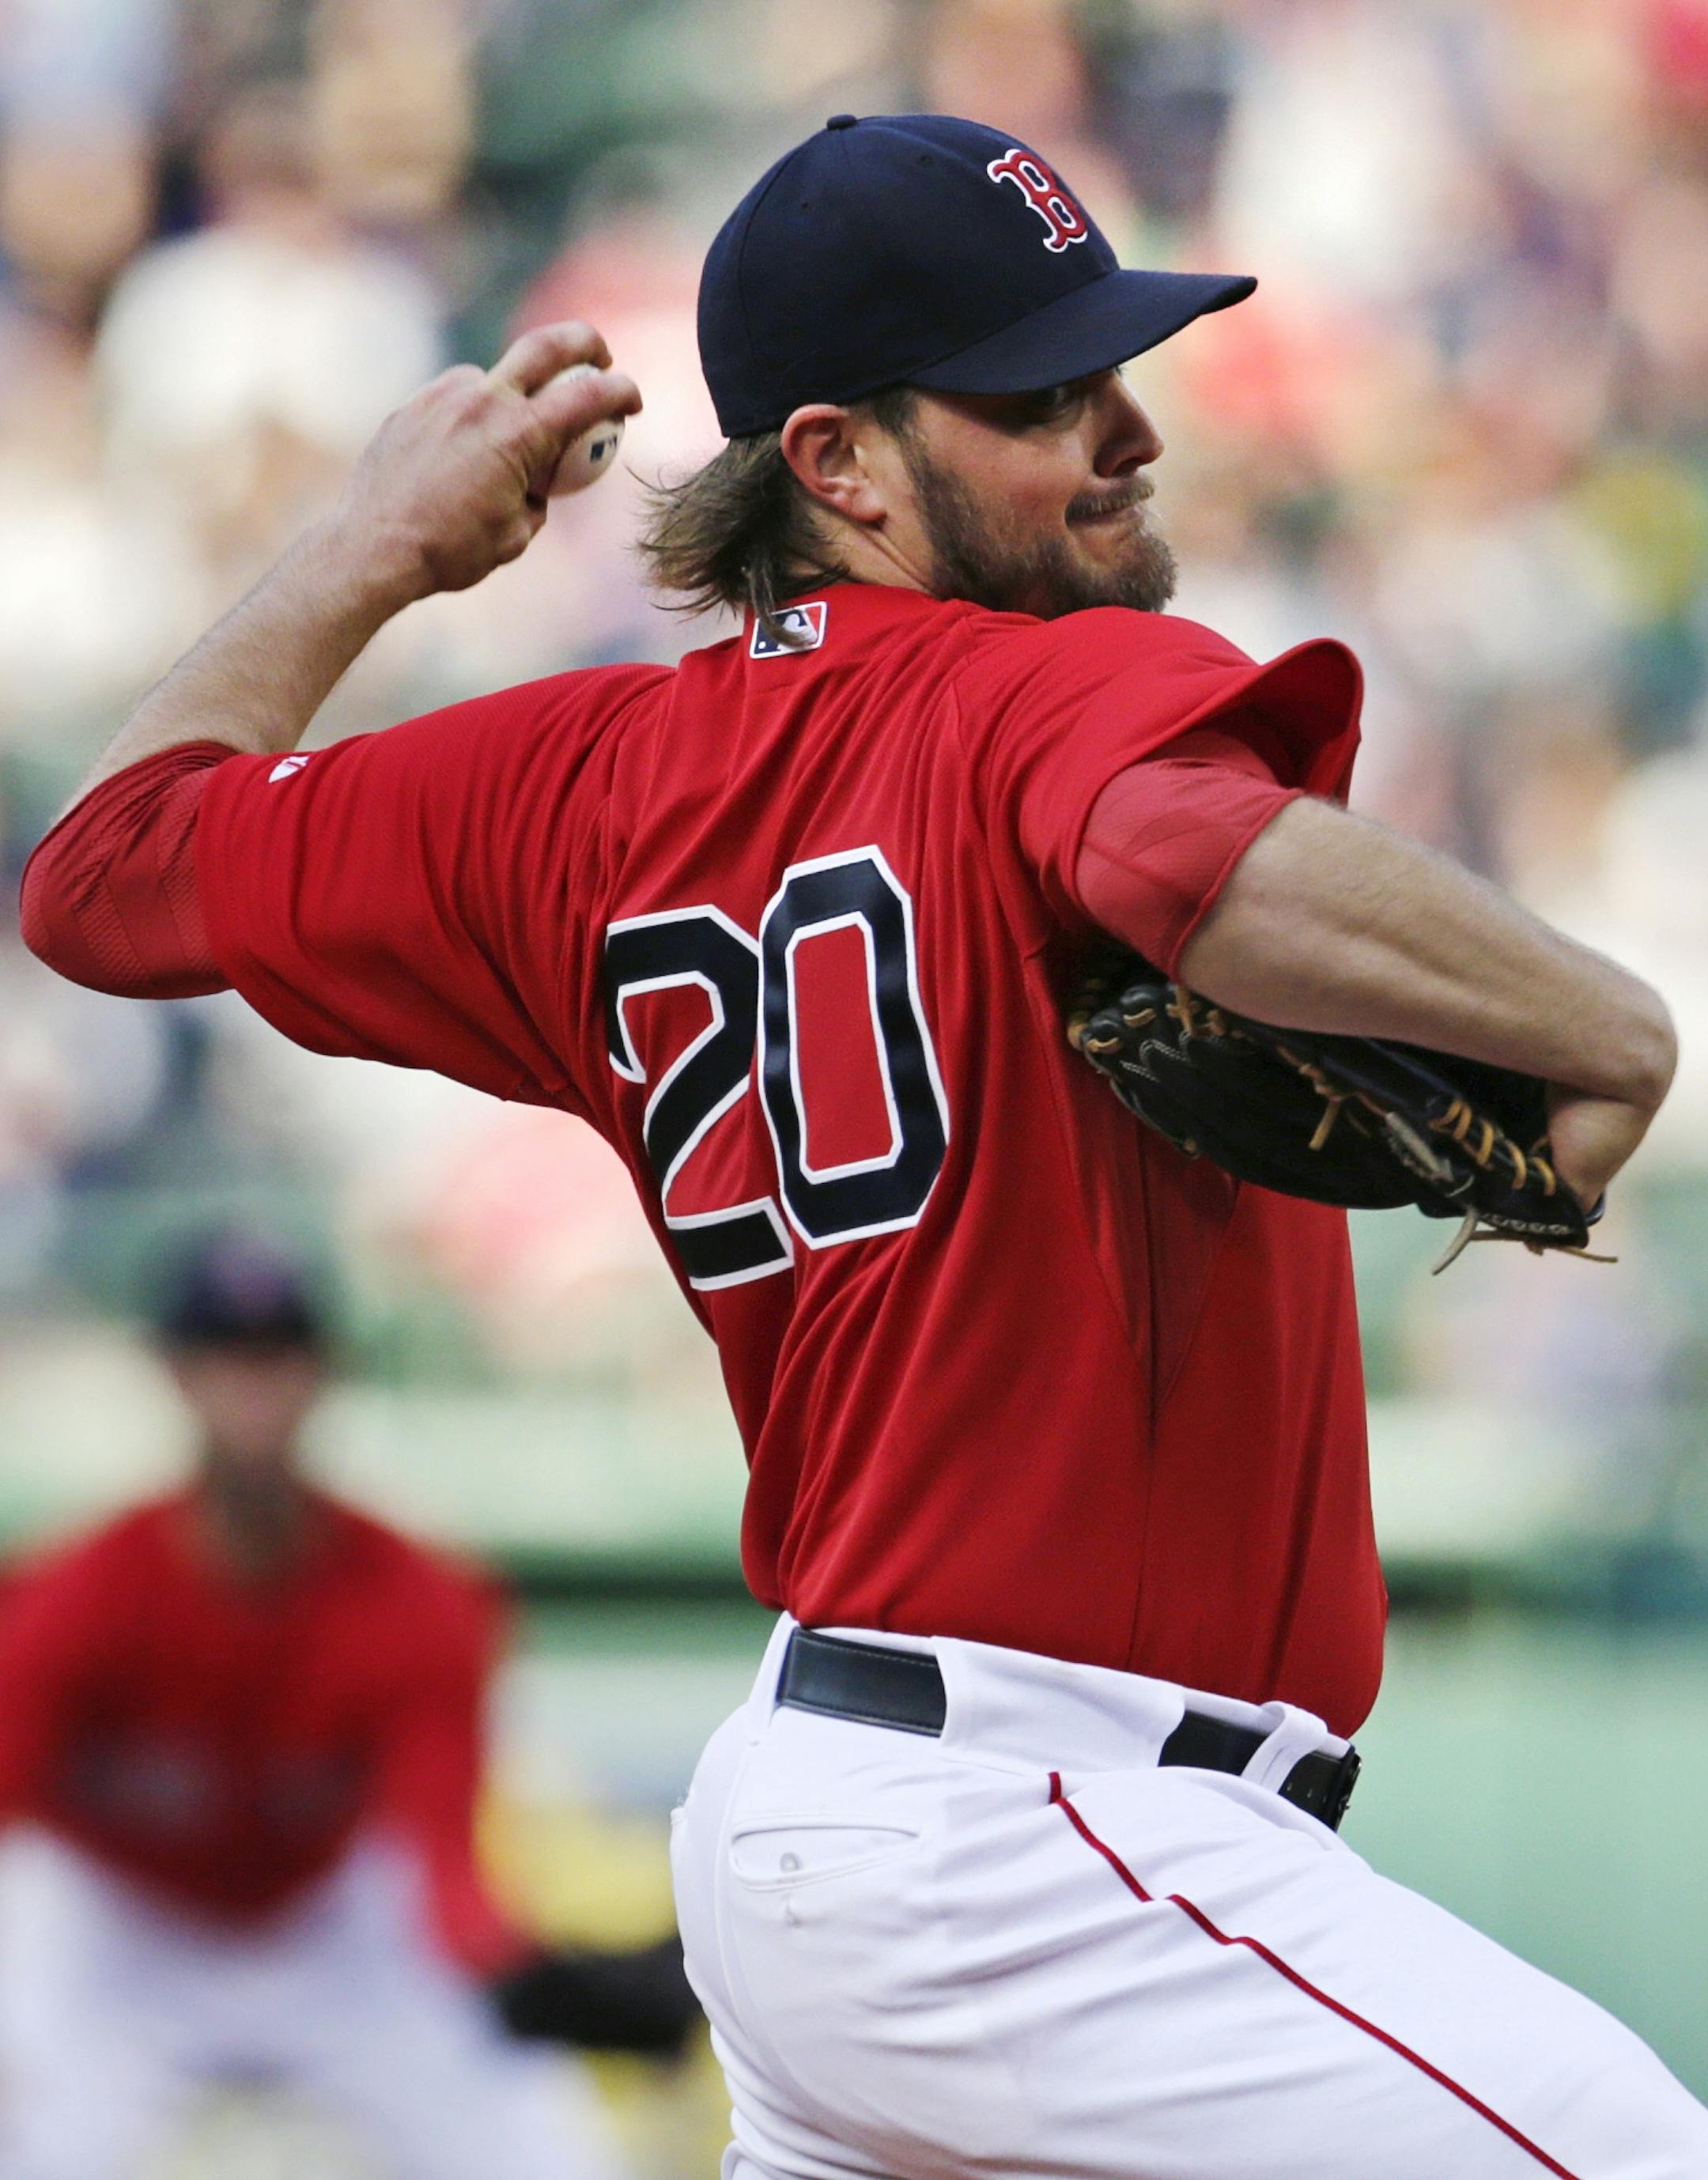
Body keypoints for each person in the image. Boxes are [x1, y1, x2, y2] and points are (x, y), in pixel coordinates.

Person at [17, 110, 1703, 2178]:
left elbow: (103, 871)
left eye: (1113, 374)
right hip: (1054, 1839)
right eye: (1036, 396)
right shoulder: (1050, 692)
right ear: (836, 463)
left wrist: (373, 550)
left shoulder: (559, 788)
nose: (1121, 434)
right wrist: (1600, 1021)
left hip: (822, 1826)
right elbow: (1169, 846)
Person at [0, 1230, 691, 2180]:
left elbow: (438, 1852)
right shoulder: (79, 1598)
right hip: (122, 1929)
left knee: (542, 2152)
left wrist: (525, 1977)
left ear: (322, 1374)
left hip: (326, 1921)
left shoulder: (419, 1600)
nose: (254, 1384)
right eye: (225, 1356)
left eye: (279, 1354)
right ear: (176, 1374)